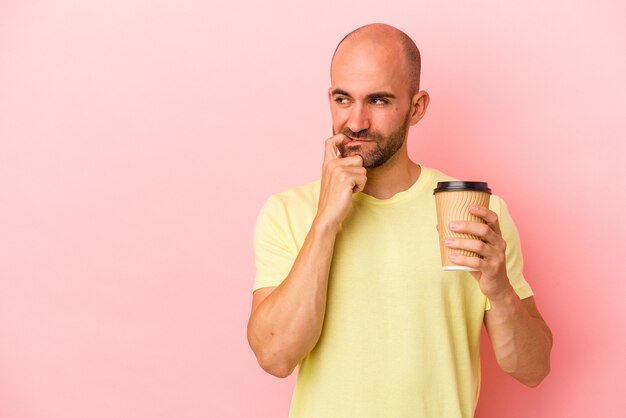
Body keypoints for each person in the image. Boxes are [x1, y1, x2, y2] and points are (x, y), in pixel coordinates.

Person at [247, 23, 552, 418]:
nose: (356, 122)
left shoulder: (474, 211)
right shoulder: (287, 212)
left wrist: (499, 290)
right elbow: (274, 357)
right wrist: (325, 221)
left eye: (378, 101)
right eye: (344, 99)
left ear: (417, 106)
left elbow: (533, 369)